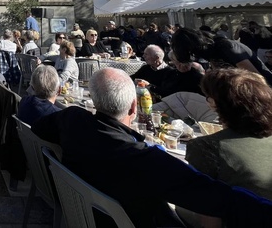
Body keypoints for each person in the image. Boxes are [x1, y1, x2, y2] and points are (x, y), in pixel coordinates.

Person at [32, 67, 272, 228]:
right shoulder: (145, 159)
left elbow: (39, 127)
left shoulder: (72, 119)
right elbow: (217, 199)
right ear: (135, 107)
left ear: (94, 101)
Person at [185, 69, 272, 201]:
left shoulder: (206, 146)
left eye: (209, 98)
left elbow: (204, 209)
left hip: (242, 219)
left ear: (217, 104)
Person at [172, 27, 272, 86]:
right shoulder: (210, 53)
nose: (194, 55)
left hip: (264, 88)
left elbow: (255, 76)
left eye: (192, 52)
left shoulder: (226, 47)